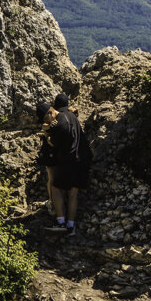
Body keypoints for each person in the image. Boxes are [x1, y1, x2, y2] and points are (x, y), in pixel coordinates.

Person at [50, 92, 90, 236]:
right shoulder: (74, 117)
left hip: (67, 160)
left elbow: (56, 141)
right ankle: (71, 226)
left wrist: (48, 137)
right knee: (73, 193)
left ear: (56, 105)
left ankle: (60, 222)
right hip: (81, 160)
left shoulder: (60, 118)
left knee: (55, 188)